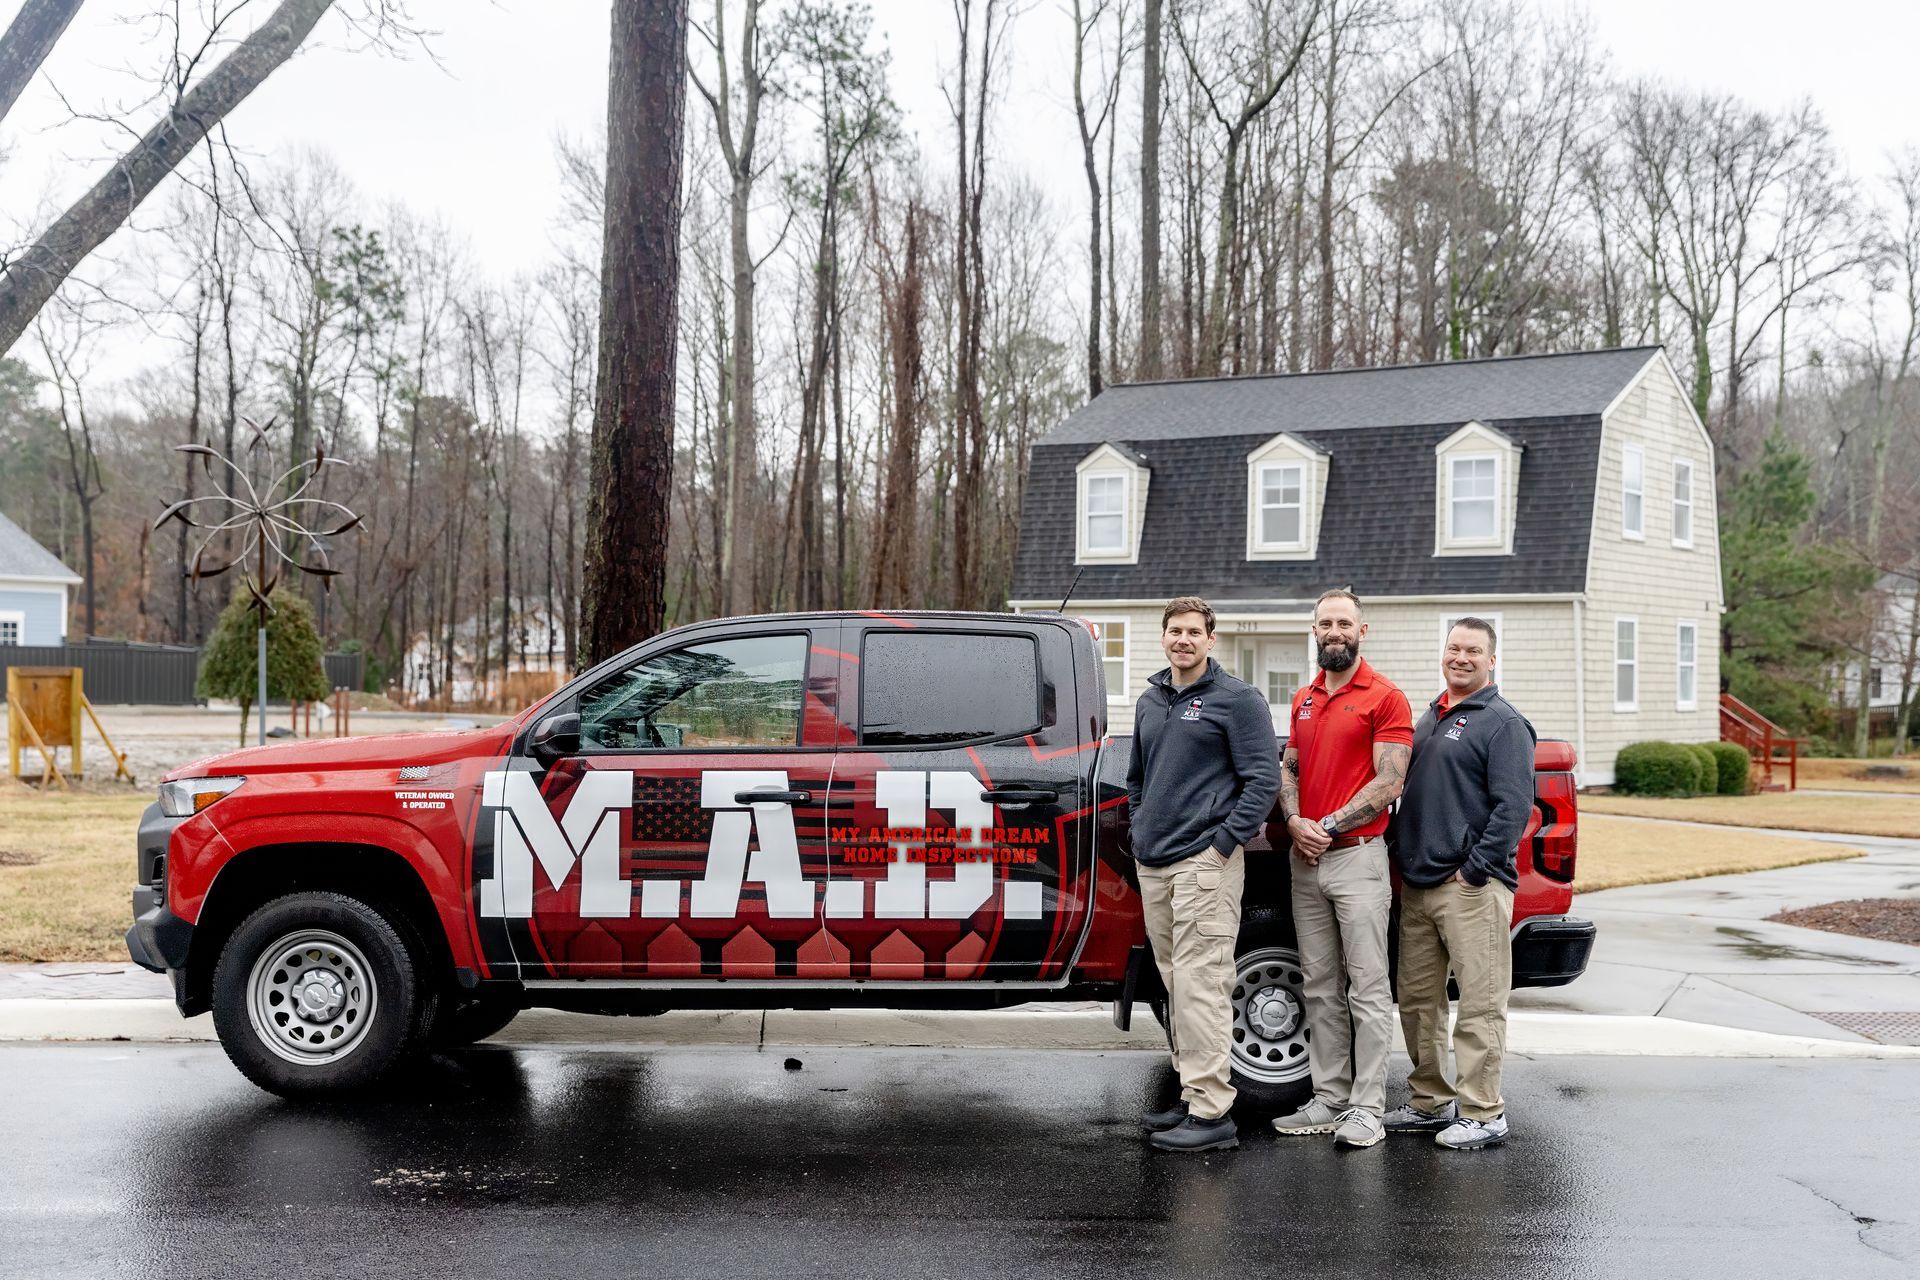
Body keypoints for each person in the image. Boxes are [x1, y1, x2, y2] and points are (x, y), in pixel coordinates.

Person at [1127, 596, 1282, 1153]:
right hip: (1155, 864)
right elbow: (1138, 779)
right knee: (1176, 983)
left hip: (1204, 864)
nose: (1183, 640)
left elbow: (1262, 782)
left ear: (1211, 639)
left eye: (1195, 631)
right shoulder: (1150, 701)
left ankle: (1214, 1113)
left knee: (1203, 985)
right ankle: (1193, 1096)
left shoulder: (1237, 701)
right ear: (1163, 636)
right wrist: (1138, 829)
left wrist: (1220, 847)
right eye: (1175, 631)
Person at [1384, 616, 1535, 1150]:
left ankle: (1483, 1110)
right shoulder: (1429, 717)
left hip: (1471, 886)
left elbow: (1514, 807)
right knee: (1418, 1001)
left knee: (1479, 1001)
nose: (1461, 658)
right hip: (1420, 884)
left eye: (1473, 650)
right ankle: (1430, 1102)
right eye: (1453, 648)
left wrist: (1475, 869)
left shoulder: (1503, 723)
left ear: (1492, 660)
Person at [1272, 588, 1412, 1149]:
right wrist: (1295, 820)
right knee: (1321, 986)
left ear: (1362, 630)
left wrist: (1325, 824)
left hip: (1357, 858)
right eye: (1325, 622)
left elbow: (1390, 780)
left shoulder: (1385, 697)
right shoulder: (1304, 698)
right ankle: (1330, 1098)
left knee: (1369, 987)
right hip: (1306, 862)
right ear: (1314, 630)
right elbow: (1290, 769)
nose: (1335, 631)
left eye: (1344, 623)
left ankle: (1367, 1108)